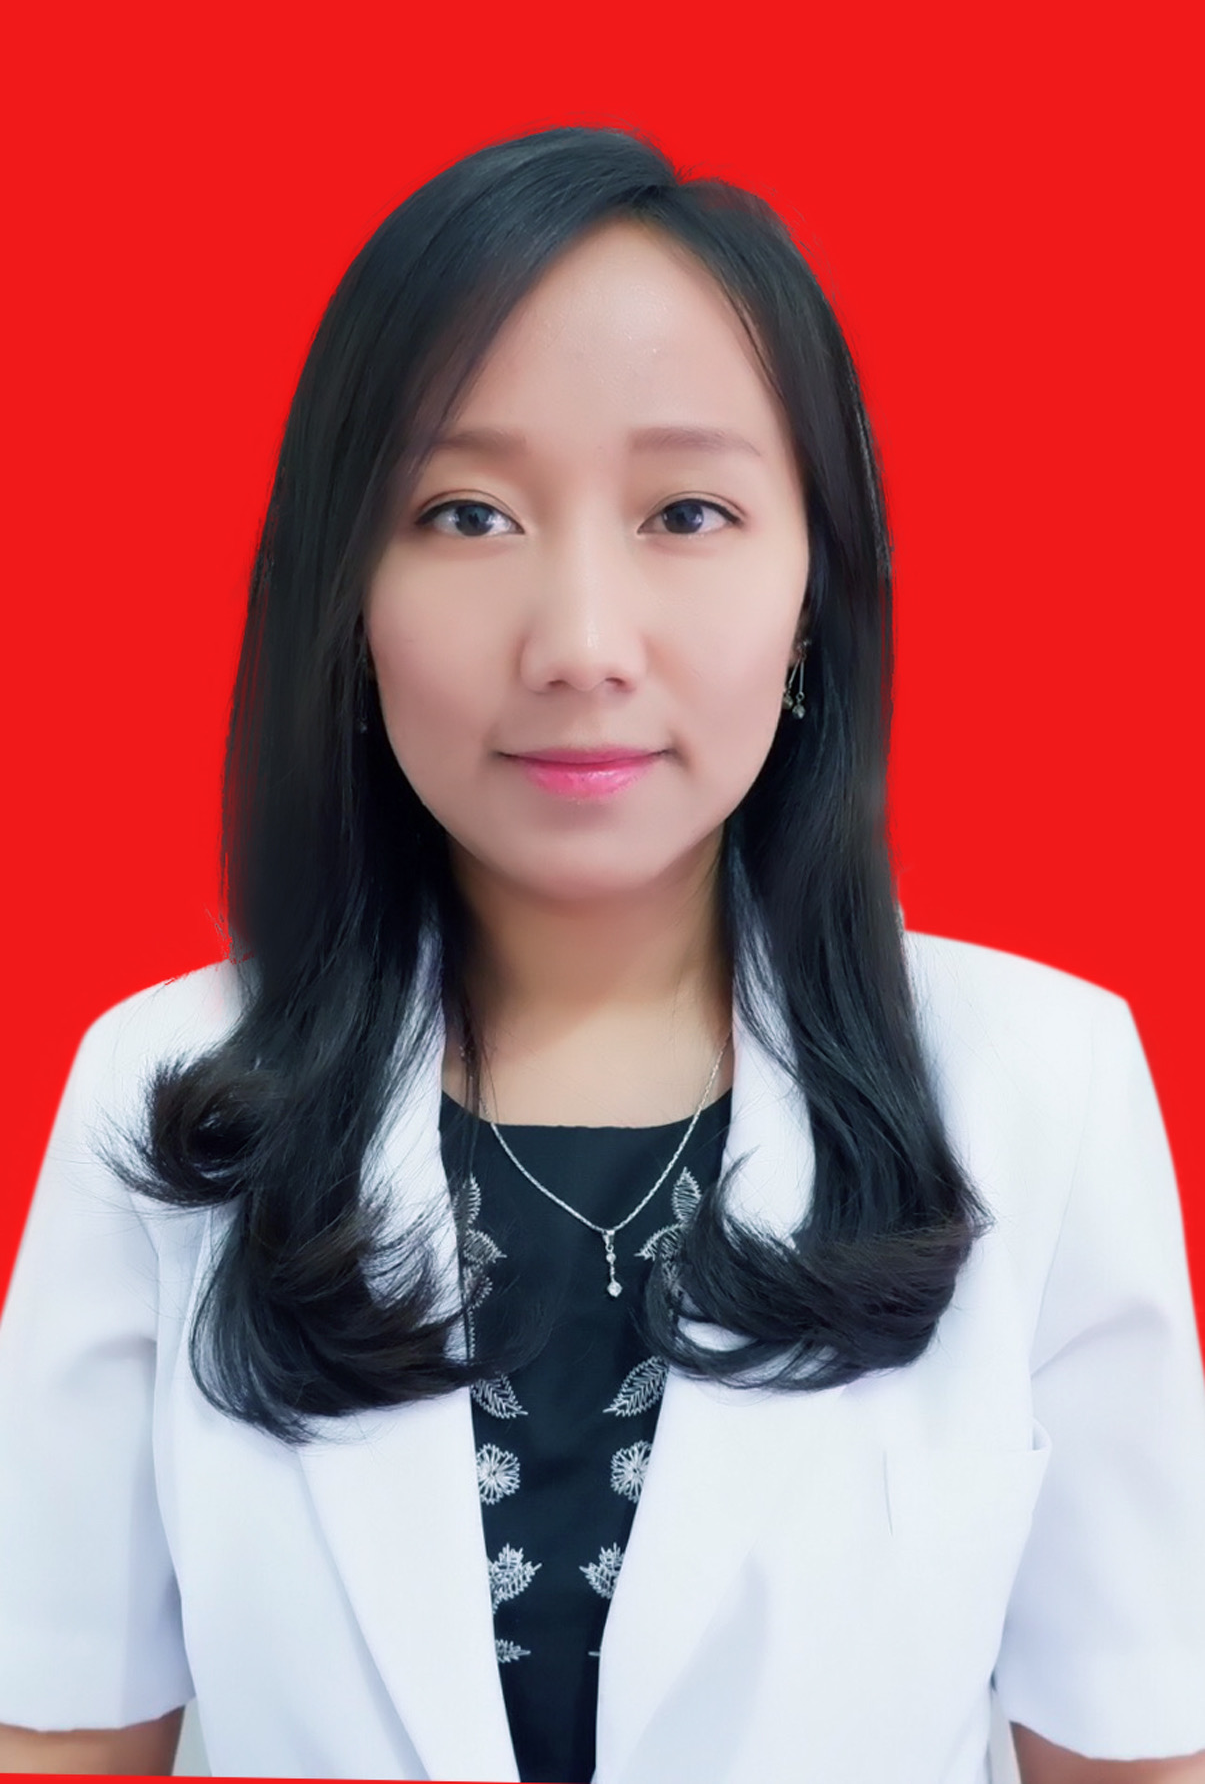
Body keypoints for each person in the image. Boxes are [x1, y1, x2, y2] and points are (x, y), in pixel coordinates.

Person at [1, 125, 1204, 1784]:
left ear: (815, 593)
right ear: (345, 592)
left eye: (686, 512)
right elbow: (56, 1740)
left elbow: (1133, 1748)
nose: (578, 645)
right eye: (466, 513)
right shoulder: (163, 1098)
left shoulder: (1038, 1089)